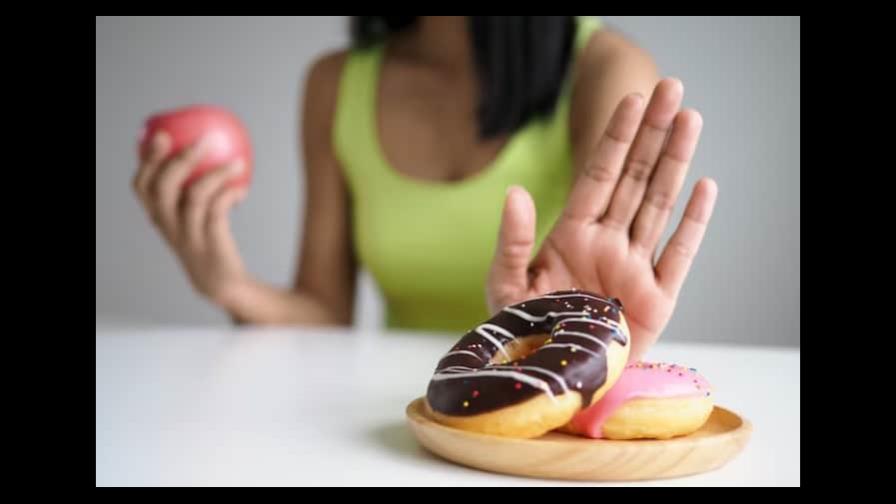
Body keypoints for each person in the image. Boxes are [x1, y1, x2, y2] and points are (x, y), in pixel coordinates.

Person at [132, 16, 717, 361]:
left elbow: (611, 311)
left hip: (544, 418)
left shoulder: (605, 70)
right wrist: (227, 284)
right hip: (390, 428)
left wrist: (563, 331)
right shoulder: (336, 83)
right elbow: (324, 313)